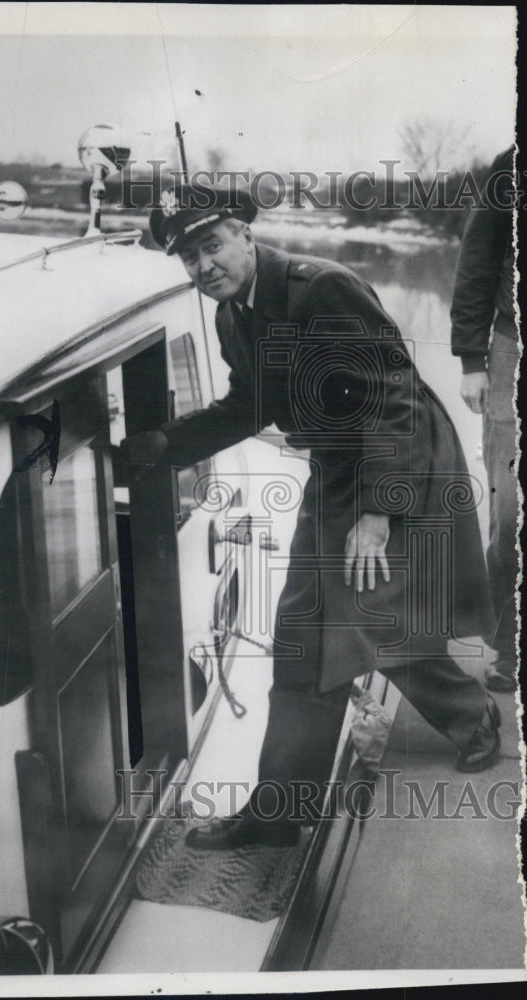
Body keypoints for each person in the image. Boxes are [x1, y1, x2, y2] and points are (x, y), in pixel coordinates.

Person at [121, 183, 500, 850]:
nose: (204, 265)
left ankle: (474, 721)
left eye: (211, 245)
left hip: (398, 459)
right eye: (188, 258)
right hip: (336, 470)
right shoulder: (232, 317)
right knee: (303, 632)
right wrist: (164, 447)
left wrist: (378, 514)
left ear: (243, 234)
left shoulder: (321, 288)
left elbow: (391, 399)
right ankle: (278, 815)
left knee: (374, 620)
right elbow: (247, 406)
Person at [451, 146, 519, 694]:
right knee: (511, 511)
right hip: (513, 352)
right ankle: (511, 650)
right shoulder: (511, 165)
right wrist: (473, 360)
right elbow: (477, 262)